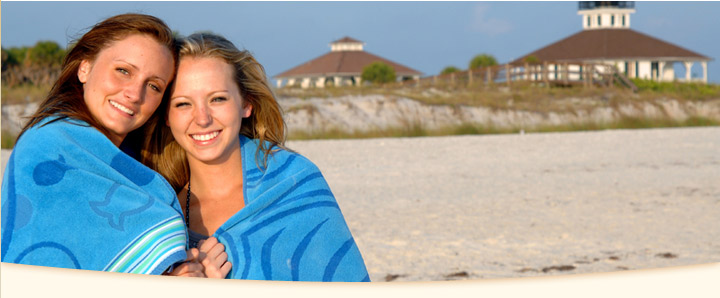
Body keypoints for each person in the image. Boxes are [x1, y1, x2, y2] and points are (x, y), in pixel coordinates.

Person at [0, 13, 226, 278]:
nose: (134, 94)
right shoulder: (47, 145)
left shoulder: (136, 161)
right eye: (123, 71)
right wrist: (171, 281)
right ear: (84, 68)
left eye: (153, 86)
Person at [142, 32, 370, 281]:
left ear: (246, 104)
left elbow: (348, 285)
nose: (203, 119)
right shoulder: (157, 212)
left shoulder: (294, 184)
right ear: (166, 115)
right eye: (183, 104)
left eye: (217, 99)